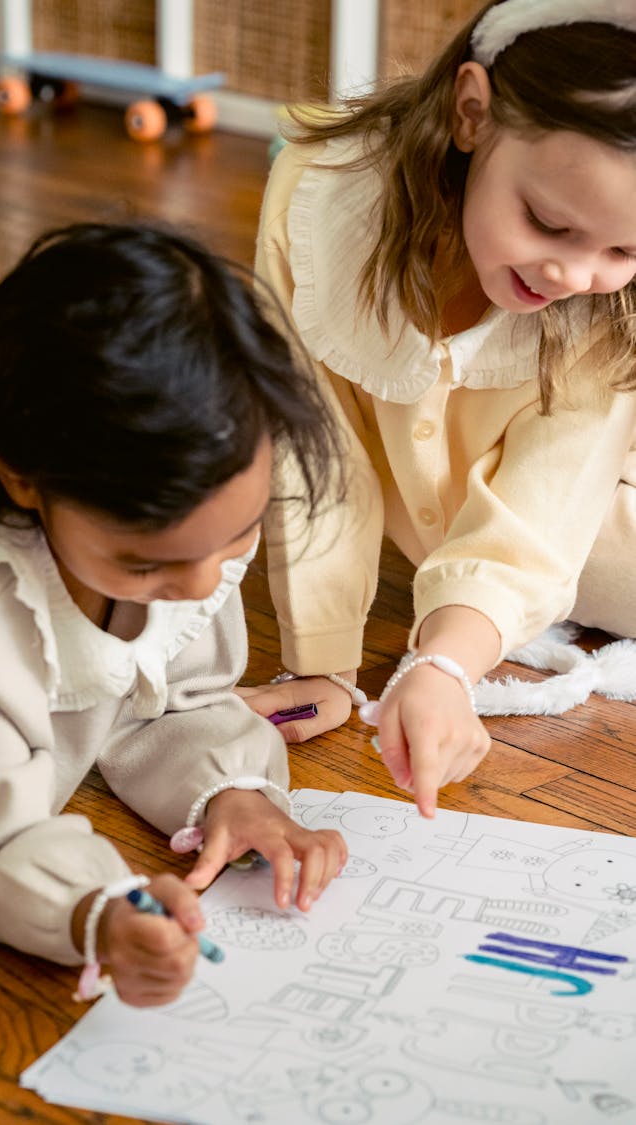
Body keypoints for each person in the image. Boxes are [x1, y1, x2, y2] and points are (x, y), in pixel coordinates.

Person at [0, 221, 347, 1008]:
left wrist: (234, 790)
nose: (204, 584)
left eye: (237, 534)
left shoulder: (185, 519)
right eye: (149, 564)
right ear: (22, 479)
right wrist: (99, 909)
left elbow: (174, 700)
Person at [247, 0, 636, 819]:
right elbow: (313, 440)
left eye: (624, 251)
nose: (573, 273)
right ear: (470, 112)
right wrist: (321, 660)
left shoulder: (613, 311)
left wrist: (448, 664)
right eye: (549, 223)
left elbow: (547, 504)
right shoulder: (319, 196)